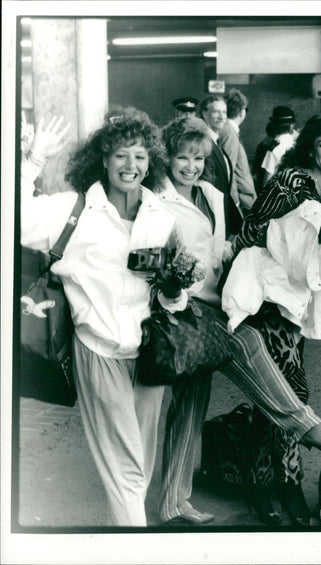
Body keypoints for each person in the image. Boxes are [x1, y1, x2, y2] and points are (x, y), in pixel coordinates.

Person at [155, 116, 321, 525]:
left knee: (190, 407)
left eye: (198, 157)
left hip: (211, 305)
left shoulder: (210, 193)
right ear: (166, 158)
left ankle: (174, 502)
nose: (190, 165)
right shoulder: (153, 197)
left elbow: (230, 243)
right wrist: (169, 267)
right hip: (174, 310)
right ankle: (303, 423)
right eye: (181, 157)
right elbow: (135, 254)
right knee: (248, 347)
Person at [20, 108, 178, 526]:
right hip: (98, 348)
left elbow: (171, 291)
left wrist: (175, 288)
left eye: (141, 156)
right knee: (126, 468)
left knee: (139, 465)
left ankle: (119, 539)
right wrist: (34, 160)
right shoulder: (73, 210)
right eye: (121, 155)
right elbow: (14, 217)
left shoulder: (159, 215)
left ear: (152, 162)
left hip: (147, 353)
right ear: (103, 160)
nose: (131, 166)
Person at [230, 109, 321, 526]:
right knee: (290, 391)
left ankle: (264, 483)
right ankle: (282, 487)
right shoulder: (293, 181)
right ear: (310, 146)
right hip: (270, 299)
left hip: (295, 301)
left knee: (278, 393)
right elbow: (252, 228)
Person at [198, 95, 240, 236]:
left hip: (222, 214)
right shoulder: (205, 143)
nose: (222, 117)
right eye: (216, 112)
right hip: (212, 217)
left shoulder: (216, 141)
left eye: (224, 112)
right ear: (204, 113)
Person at [218, 88, 256, 220]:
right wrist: (235, 203)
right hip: (241, 201)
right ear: (242, 111)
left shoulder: (227, 130)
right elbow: (229, 171)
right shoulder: (229, 133)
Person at [255, 105, 299, 189]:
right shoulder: (297, 144)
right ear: (291, 125)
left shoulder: (274, 149)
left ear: (273, 125)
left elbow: (267, 181)